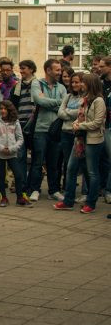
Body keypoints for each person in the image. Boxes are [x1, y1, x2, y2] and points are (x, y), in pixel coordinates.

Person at [54, 74, 105, 213]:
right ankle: (68, 201)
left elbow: (97, 122)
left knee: (92, 172)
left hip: (93, 140)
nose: (81, 85)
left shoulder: (99, 101)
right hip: (80, 140)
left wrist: (80, 126)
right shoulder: (85, 100)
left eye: (84, 82)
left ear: (91, 84)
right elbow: (80, 117)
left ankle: (91, 203)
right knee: (70, 168)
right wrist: (77, 123)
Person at [28, 59, 67, 202]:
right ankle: (34, 190)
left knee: (54, 163)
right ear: (48, 70)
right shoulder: (36, 83)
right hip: (40, 129)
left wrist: (50, 102)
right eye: (57, 70)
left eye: (60, 70)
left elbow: (64, 105)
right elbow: (39, 101)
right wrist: (58, 103)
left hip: (56, 130)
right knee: (37, 161)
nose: (60, 72)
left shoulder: (62, 87)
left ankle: (54, 190)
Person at [0, 100, 31, 207]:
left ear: (10, 110)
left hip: (12, 153)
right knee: (1, 176)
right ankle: (4, 197)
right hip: (0, 154)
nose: (2, 110)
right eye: (1, 108)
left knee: (18, 175)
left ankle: (20, 197)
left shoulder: (16, 123)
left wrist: (13, 148)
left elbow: (20, 139)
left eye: (5, 108)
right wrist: (0, 147)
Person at [10, 59, 37, 194]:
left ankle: (31, 185)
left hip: (34, 125)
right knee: (20, 156)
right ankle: (21, 184)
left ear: (31, 69)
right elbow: (12, 104)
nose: (21, 71)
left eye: (24, 68)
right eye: (20, 68)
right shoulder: (17, 86)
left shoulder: (38, 85)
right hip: (19, 124)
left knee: (35, 157)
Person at [57, 72, 84, 195]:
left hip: (78, 133)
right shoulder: (68, 96)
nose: (73, 84)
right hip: (65, 133)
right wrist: (72, 112)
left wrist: (68, 112)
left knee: (83, 164)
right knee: (68, 164)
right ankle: (69, 192)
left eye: (76, 82)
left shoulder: (86, 97)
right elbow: (60, 113)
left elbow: (82, 113)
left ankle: (85, 193)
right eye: (72, 82)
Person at [99, 56, 111, 204]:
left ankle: (108, 190)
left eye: (102, 66)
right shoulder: (101, 84)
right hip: (101, 126)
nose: (99, 69)